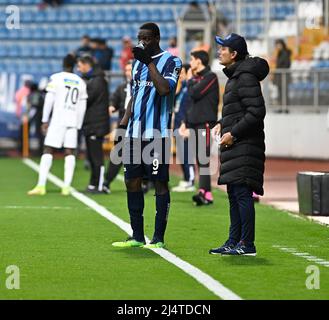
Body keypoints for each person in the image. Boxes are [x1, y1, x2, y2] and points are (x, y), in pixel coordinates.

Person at [112, 22, 182, 249]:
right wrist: (122, 126)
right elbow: (134, 96)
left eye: (148, 38)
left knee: (159, 183)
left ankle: (159, 238)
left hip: (157, 134)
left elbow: (164, 89)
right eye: (141, 38)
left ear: (158, 37)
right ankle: (136, 236)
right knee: (131, 182)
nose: (143, 42)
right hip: (134, 134)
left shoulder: (172, 61)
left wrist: (149, 62)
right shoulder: (136, 65)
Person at [209, 33, 269, 256]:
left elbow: (257, 112)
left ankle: (247, 244)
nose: (219, 51)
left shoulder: (244, 77)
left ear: (234, 54)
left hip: (245, 145)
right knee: (234, 193)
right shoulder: (237, 76)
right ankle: (233, 241)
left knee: (242, 193)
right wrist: (221, 123)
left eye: (223, 48)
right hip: (237, 145)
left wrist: (233, 133)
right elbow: (239, 110)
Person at [28, 54, 87, 196]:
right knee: (69, 152)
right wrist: (78, 124)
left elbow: (49, 100)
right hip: (72, 120)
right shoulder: (80, 81)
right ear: (74, 65)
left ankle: (41, 186)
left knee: (48, 150)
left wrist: (44, 120)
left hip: (58, 119)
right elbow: (82, 105)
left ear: (63, 64)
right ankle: (66, 187)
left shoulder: (56, 78)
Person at [179, 50, 219, 205]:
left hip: (206, 124)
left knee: (203, 159)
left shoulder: (210, 77)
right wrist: (186, 123)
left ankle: (204, 192)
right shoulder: (196, 78)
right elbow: (191, 104)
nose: (191, 62)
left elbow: (195, 94)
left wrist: (189, 80)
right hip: (195, 124)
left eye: (192, 59)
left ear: (199, 61)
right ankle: (206, 193)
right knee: (200, 159)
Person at [77, 56, 110, 193]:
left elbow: (87, 98)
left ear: (86, 65)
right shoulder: (93, 79)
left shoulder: (98, 80)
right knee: (90, 156)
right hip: (90, 123)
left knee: (97, 157)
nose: (78, 69)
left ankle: (100, 184)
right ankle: (93, 183)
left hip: (97, 124)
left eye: (80, 66)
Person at [102, 60, 133, 194]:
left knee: (142, 154)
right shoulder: (121, 88)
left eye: (130, 70)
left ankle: (146, 182)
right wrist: (111, 107)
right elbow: (113, 102)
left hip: (139, 125)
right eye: (126, 70)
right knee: (118, 154)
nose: (128, 73)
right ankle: (107, 182)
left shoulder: (145, 88)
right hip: (123, 125)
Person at [171, 63, 195, 192]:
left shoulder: (190, 88)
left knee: (186, 153)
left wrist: (187, 124)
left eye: (182, 73)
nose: (180, 75)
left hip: (184, 125)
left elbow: (190, 108)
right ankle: (186, 179)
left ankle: (190, 181)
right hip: (177, 124)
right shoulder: (183, 88)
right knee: (181, 153)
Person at [274, 39, 291, 105]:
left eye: (279, 44)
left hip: (283, 76)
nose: (277, 46)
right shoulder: (280, 53)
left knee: (284, 92)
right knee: (280, 92)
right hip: (280, 76)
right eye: (277, 45)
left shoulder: (285, 53)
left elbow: (286, 64)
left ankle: (285, 107)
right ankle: (281, 107)